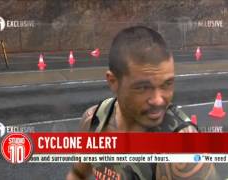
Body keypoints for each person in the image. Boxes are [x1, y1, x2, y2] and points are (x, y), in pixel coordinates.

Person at [66, 26, 219, 180]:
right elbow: (77, 174)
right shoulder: (94, 120)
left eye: (167, 84)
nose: (158, 100)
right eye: (143, 88)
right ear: (113, 82)